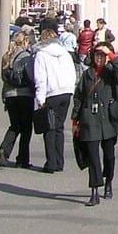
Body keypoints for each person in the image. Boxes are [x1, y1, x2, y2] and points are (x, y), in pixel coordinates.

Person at [72, 42, 118, 207]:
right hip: (90, 119)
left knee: (109, 156)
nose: (99, 59)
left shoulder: (111, 72)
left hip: (109, 119)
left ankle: (108, 181)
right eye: (97, 56)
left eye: (102, 56)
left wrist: (110, 54)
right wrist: (75, 120)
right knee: (92, 156)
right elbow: (78, 97)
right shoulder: (87, 75)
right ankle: (94, 191)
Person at [32, 17, 77, 173]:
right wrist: (70, 88)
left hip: (51, 93)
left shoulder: (41, 54)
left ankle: (51, 163)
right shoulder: (64, 52)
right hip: (66, 92)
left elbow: (40, 78)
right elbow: (72, 72)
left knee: (49, 128)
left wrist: (40, 98)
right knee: (59, 128)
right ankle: (59, 162)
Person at [0, 28, 36, 167]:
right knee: (26, 128)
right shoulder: (26, 56)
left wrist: (4, 95)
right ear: (24, 42)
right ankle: (22, 159)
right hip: (24, 95)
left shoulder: (6, 56)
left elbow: (4, 78)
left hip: (9, 95)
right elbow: (31, 77)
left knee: (15, 125)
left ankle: (4, 149)